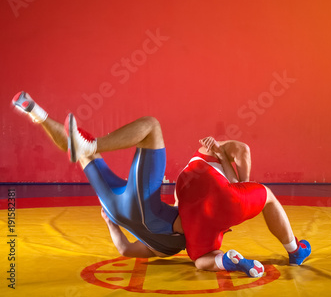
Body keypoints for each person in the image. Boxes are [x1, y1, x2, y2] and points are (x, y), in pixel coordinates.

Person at [12, 91, 311, 278]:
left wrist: (220, 165)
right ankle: (38, 113)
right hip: (115, 206)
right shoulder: (166, 248)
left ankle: (44, 117)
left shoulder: (186, 239)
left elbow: (195, 225)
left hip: (151, 205)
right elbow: (126, 250)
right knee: (83, 148)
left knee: (145, 129)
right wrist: (110, 222)